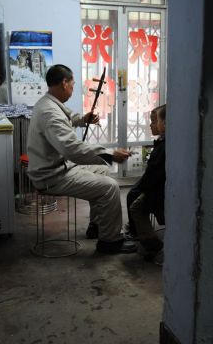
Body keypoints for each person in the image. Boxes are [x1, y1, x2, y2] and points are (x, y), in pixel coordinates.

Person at [26, 64, 137, 254]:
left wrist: (83, 119)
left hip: (59, 167)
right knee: (110, 187)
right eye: (72, 84)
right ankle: (110, 242)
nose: (73, 88)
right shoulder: (49, 112)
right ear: (64, 83)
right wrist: (110, 154)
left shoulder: (48, 102)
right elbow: (72, 149)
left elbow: (68, 116)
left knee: (103, 170)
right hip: (52, 176)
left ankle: (98, 226)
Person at [128, 104, 166, 260]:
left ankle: (151, 245)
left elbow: (153, 175)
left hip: (158, 191)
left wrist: (143, 187)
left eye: (155, 121)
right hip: (159, 187)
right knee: (133, 194)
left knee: (135, 203)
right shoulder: (165, 143)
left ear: (165, 124)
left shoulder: (162, 147)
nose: (151, 125)